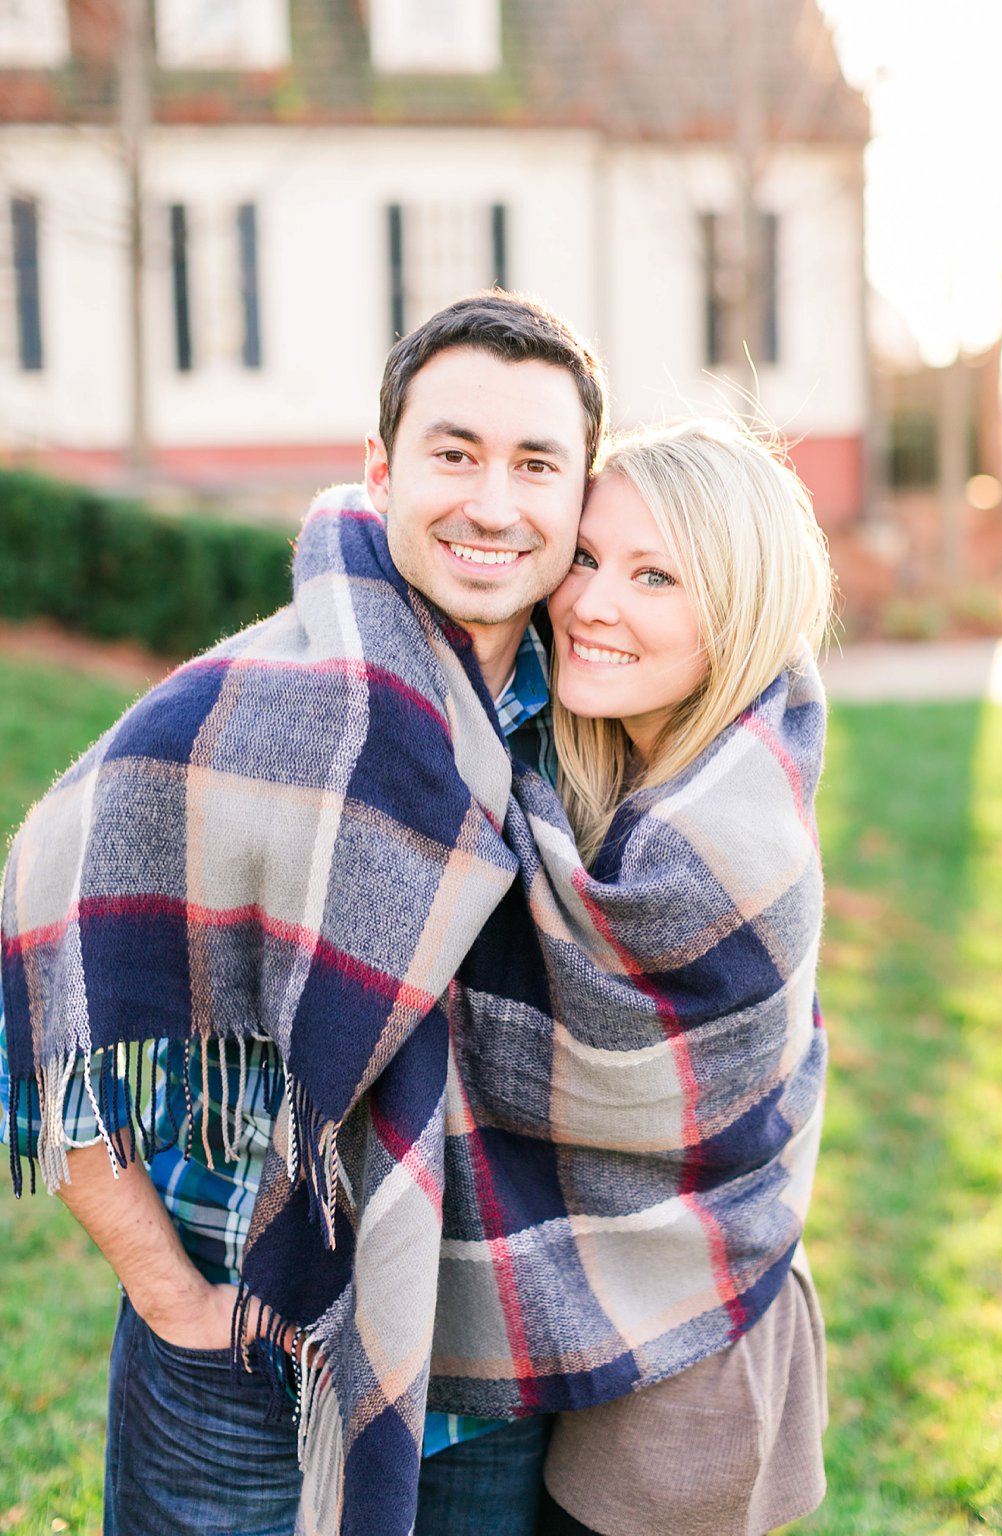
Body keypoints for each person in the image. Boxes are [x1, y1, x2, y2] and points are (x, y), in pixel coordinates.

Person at [1, 291, 605, 1534]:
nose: (493, 503)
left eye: (535, 464)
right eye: (454, 452)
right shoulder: (235, 715)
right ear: (381, 469)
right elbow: (39, 1001)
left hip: (491, 1380)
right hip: (244, 1355)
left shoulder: (595, 750)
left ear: (579, 497)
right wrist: (173, 1298)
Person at [521, 419, 835, 1535]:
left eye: (655, 575)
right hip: (607, 1332)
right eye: (587, 558)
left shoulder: (721, 852)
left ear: (740, 612)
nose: (592, 603)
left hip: (686, 1368)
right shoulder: (598, 790)